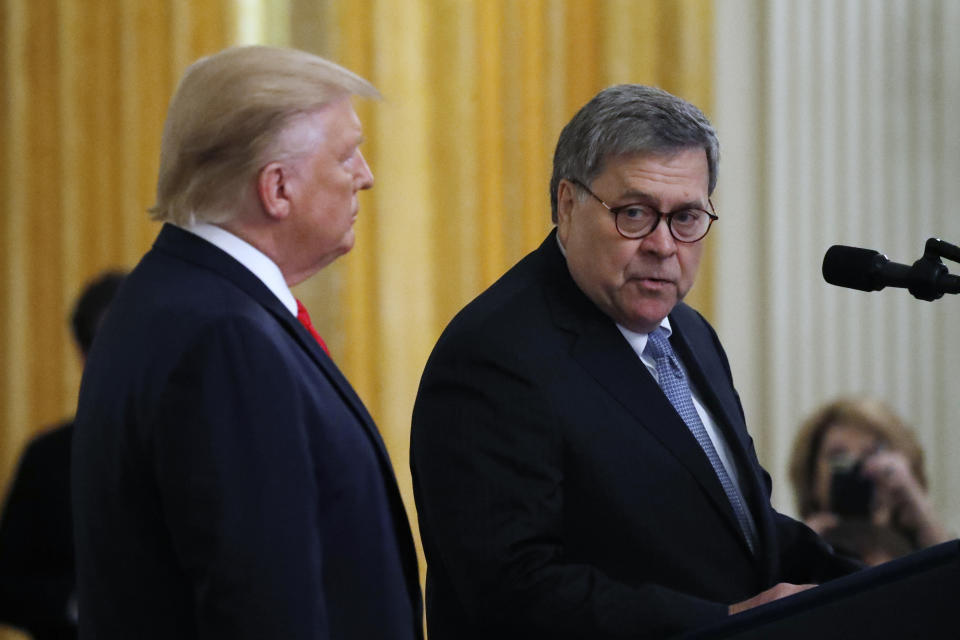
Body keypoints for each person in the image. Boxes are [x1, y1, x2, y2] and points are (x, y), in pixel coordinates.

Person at [410, 85, 860, 639]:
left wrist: (878, 588)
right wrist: (725, 624)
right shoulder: (493, 357)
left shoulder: (687, 331)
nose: (663, 245)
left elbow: (737, 523)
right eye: (634, 214)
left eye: (687, 217)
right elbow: (514, 589)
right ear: (567, 206)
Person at [71, 46, 422, 640]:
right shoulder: (224, 339)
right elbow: (262, 608)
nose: (365, 174)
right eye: (346, 154)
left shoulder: (164, 298)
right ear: (277, 189)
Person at [0, 271, 124, 640]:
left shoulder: (196, 445)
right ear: (86, 356)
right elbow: (7, 586)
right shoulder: (47, 460)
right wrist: (76, 604)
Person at [789, 396, 950, 557]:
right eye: (838, 457)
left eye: (871, 455)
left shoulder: (924, 552)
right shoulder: (800, 551)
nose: (856, 468)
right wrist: (800, 549)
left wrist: (921, 513)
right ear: (812, 474)